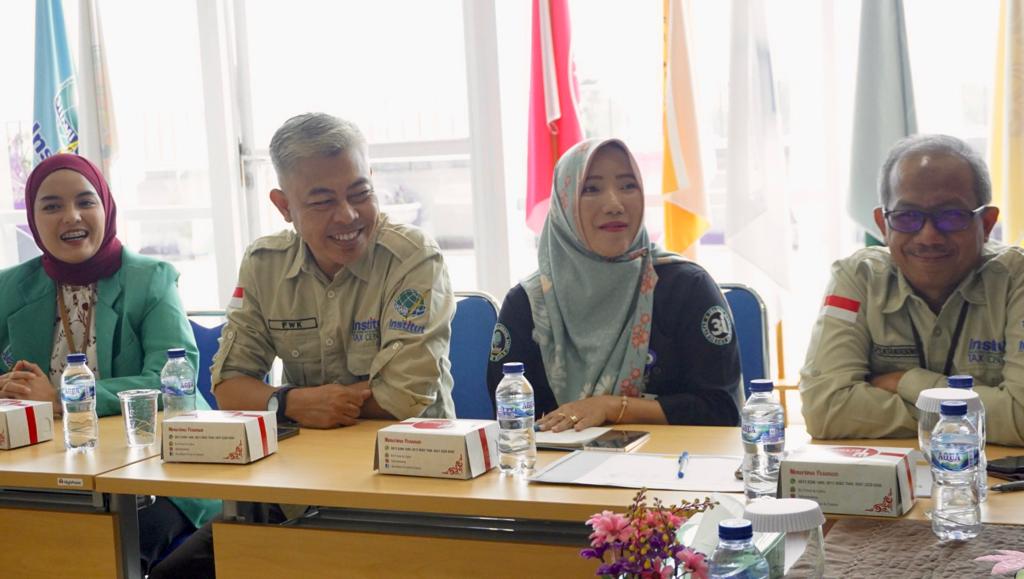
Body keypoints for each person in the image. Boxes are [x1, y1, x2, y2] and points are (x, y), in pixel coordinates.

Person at [151, 113, 456, 578]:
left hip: (407, 488)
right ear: (284, 206)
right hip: (299, 491)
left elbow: (403, 398)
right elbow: (229, 386)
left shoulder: (412, 257)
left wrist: (287, 403)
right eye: (323, 201)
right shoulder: (265, 264)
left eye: (360, 193)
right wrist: (294, 402)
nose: (348, 216)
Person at [0, 154, 220, 573]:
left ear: (106, 207)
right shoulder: (10, 286)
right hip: (48, 468)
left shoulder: (151, 278)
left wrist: (63, 399)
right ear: (33, 218)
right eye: (52, 206)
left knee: (93, 553)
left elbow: (171, 380)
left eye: (86, 201)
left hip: (157, 471)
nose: (71, 216)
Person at [487, 138, 742, 432]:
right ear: (564, 203)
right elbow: (512, 420)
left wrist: (611, 407)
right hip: (559, 460)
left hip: (671, 458)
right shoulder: (530, 303)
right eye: (591, 189)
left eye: (628, 186)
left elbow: (721, 410)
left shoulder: (686, 287)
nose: (614, 205)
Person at [799, 134, 1024, 446]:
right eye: (907, 217)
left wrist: (907, 382)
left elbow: (1021, 417)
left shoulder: (1017, 278)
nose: (928, 237)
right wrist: (968, 414)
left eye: (951, 216)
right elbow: (825, 411)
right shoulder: (858, 278)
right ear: (883, 225)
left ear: (986, 224)